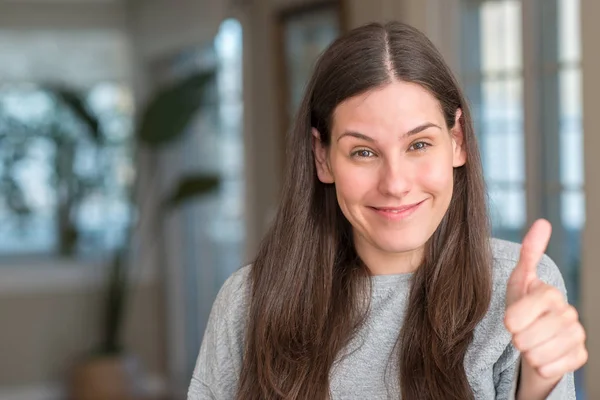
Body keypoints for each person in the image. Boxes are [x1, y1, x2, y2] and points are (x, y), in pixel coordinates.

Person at [187, 21, 587, 399]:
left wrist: (536, 387)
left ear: (457, 141)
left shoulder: (518, 289)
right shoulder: (247, 303)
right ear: (323, 158)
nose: (395, 184)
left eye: (418, 145)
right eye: (363, 152)